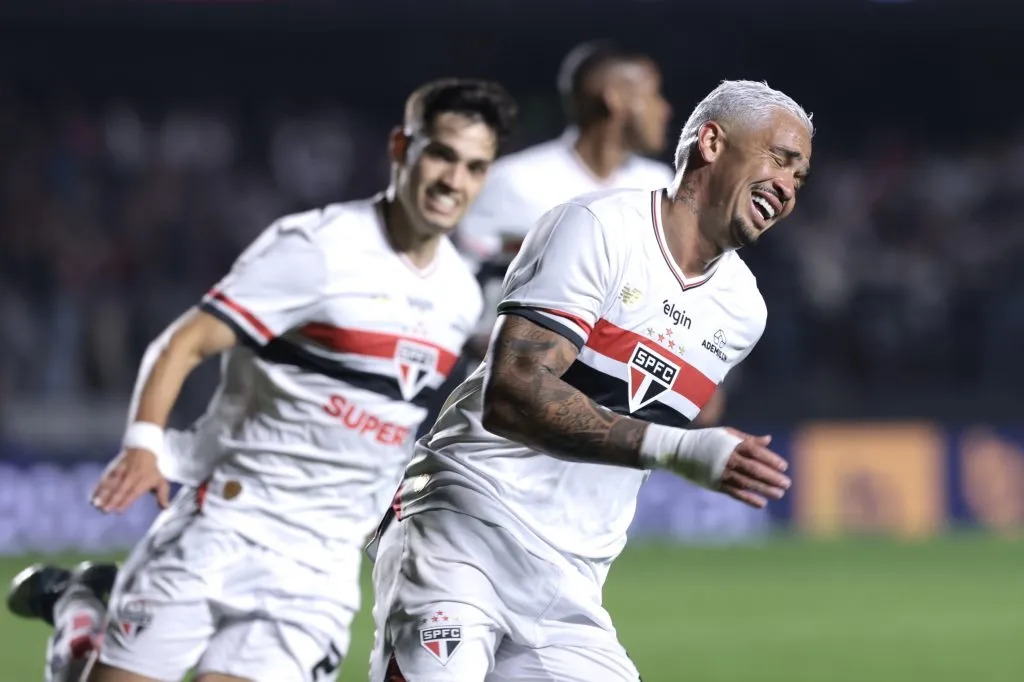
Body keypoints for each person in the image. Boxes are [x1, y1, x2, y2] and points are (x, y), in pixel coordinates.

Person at [7, 77, 517, 682]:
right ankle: (80, 615)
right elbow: (184, 341)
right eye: (441, 154)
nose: (453, 181)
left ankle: (87, 614)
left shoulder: (460, 293)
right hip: (225, 521)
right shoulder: (318, 248)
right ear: (401, 147)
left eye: (474, 167)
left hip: (318, 564)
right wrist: (144, 444)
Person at [368, 79, 812, 681]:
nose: (788, 186)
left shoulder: (742, 311)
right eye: (779, 160)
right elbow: (512, 394)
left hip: (570, 579)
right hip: (466, 524)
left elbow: (626, 409)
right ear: (711, 142)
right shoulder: (596, 227)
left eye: (799, 177)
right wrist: (678, 447)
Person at [454, 41, 726, 425]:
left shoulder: (660, 187)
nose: (665, 109)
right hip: (510, 415)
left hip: (611, 419)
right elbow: (455, 285)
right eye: (652, 94)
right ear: (613, 99)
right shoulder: (514, 182)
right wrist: (496, 338)